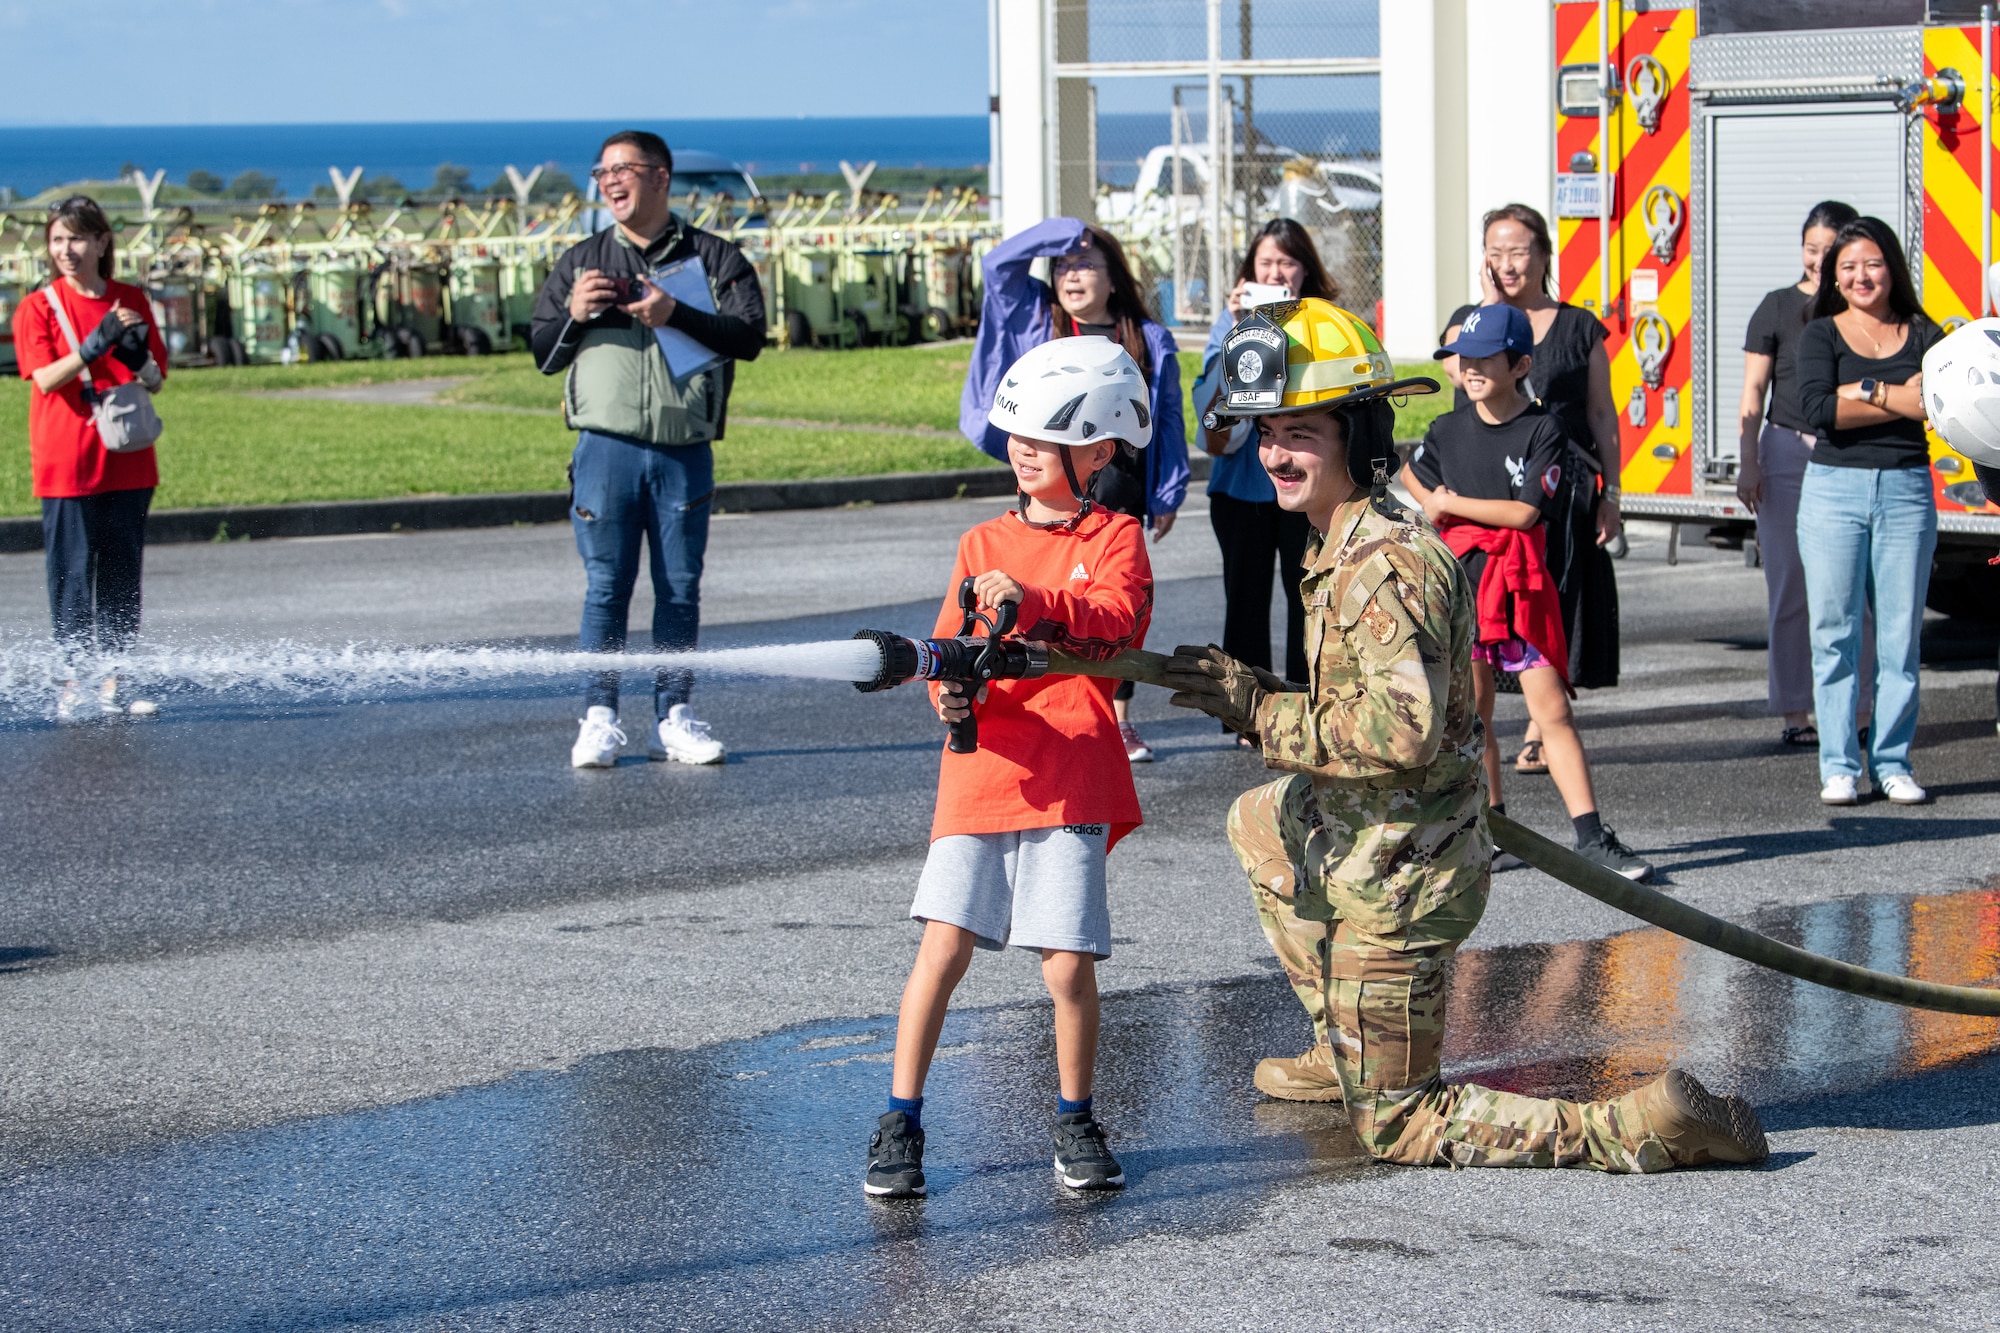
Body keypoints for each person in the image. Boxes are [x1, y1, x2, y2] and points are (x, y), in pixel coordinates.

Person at [1163, 297, 1766, 1172]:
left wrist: (1259, 709)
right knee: (1262, 818)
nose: (1275, 454)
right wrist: (1264, 698)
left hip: (1403, 867)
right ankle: (1347, 1044)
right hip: (1369, 823)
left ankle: (1641, 1125)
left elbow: (1399, 729)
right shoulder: (1337, 540)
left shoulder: (1381, 564)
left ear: (1361, 440)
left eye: (1300, 433)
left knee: (1399, 1124)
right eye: (1266, 434)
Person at [866, 337, 1156, 1199]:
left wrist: (1030, 601)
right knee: (942, 949)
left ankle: (1074, 1117)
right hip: (982, 770)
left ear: (1098, 450)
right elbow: (948, 655)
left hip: (1071, 768)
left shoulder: (1117, 537)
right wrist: (946, 697)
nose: (1023, 448)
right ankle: (900, 1120)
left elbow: (1114, 623)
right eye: (1017, 432)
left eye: (1046, 434)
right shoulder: (979, 540)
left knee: (1066, 964)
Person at [531, 130, 766, 770]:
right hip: (604, 451)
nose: (610, 181)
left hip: (682, 450)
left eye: (623, 170)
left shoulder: (716, 258)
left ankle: (675, 714)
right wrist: (575, 315)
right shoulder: (580, 260)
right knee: (605, 586)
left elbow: (749, 337)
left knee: (680, 587)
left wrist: (675, 313)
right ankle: (599, 715)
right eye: (602, 171)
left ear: (660, 177)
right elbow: (544, 355)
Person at [1403, 304, 1652, 881]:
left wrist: (1445, 504)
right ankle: (1491, 829)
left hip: (1518, 590)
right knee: (1474, 717)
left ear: (1520, 364)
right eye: (1463, 359)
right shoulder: (1446, 429)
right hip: (1461, 590)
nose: (1470, 369)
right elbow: (1413, 469)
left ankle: (1591, 837)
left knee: (1553, 711)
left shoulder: (1544, 428)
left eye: (1485, 358)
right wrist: (1428, 496)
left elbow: (1522, 513)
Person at [958, 216, 1188, 763]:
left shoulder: (1147, 337)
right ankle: (1037, 703)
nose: (1072, 274)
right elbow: (997, 269)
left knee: (1109, 601)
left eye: (1086, 262)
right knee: (1042, 589)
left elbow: (1169, 416)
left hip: (1120, 479)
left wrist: (1169, 489)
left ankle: (1116, 716)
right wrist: (1061, 233)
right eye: (1063, 264)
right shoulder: (1042, 322)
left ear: (1115, 278)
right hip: (1053, 484)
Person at [1442, 204, 1622, 775]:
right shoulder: (1472, 321)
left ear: (1544, 254)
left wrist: (1612, 493)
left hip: (1557, 491)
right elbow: (1454, 369)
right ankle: (1491, 747)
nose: (1507, 263)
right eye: (1495, 252)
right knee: (1479, 621)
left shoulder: (1579, 326)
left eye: (1518, 251)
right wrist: (1492, 313)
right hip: (1481, 491)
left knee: (1554, 605)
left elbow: (1600, 412)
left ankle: (1544, 723)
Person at [1794, 217, 1942, 807]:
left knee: (1902, 637)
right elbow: (1816, 411)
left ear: (1893, 269)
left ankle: (1891, 762)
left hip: (1907, 491)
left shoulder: (1925, 333)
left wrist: (1863, 392)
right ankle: (1838, 765)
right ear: (1834, 274)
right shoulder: (1820, 334)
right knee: (1834, 634)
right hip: (1833, 491)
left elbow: (1930, 403)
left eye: (1872, 264)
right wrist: (1894, 396)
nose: (1861, 276)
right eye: (1848, 266)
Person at [12, 195, 168, 721]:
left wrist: (132, 353)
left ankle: (116, 682)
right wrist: (89, 348)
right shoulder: (39, 306)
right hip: (66, 460)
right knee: (72, 576)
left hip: (126, 456)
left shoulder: (130, 298)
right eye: (57, 240)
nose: (66, 249)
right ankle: (75, 682)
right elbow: (40, 377)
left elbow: (158, 379)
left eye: (77, 238)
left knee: (123, 574)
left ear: (102, 242)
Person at [1189, 220, 1335, 733]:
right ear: (1249, 272)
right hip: (1241, 489)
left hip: (1309, 488)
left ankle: (1311, 706)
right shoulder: (1229, 326)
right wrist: (1239, 331)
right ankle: (1245, 712)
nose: (1276, 273)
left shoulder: (1324, 323)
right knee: (1244, 600)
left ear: (1305, 271)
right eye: (1265, 264)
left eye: (1286, 263)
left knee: (1311, 598)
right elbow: (1210, 422)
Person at [1737, 201, 1864, 747]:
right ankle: (1795, 711)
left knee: (1858, 592)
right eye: (1810, 249)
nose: (1817, 260)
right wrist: (1748, 461)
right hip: (1785, 451)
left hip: (1850, 452)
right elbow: (1752, 392)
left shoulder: (1862, 310)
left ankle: (1862, 713)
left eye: (1829, 250)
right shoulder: (1777, 306)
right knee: (1791, 585)